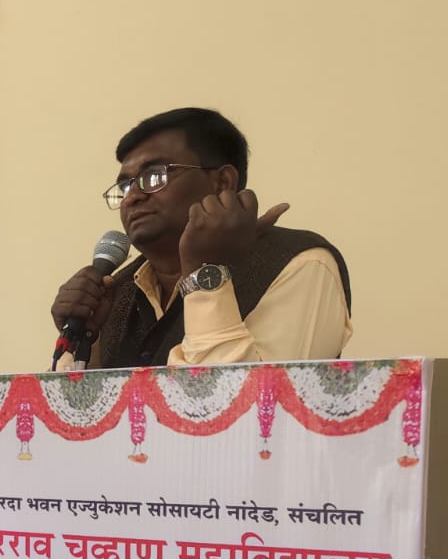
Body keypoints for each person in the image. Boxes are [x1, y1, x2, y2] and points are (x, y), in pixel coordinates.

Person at [50, 107, 351, 368]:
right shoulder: (117, 290)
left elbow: (247, 405)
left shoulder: (299, 263)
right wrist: (82, 339)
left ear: (223, 182)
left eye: (154, 176)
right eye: (125, 186)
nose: (132, 197)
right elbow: (71, 413)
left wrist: (204, 273)